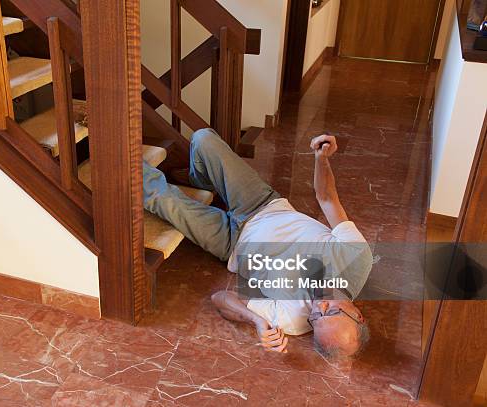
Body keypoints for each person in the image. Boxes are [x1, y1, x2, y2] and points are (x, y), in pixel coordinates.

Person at [143, 128, 372, 358]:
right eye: (331, 312)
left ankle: (115, 161)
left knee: (158, 198)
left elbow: (221, 298)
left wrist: (256, 320)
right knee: (203, 139)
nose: (319, 306)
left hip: (230, 243)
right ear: (357, 313)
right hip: (263, 204)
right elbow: (327, 198)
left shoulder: (291, 319)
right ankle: (199, 179)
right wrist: (321, 158)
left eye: (316, 319)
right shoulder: (356, 257)